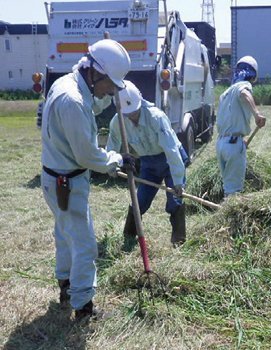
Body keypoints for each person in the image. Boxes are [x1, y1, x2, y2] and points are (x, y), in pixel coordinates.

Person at [41, 39, 134, 321]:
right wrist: (116, 159)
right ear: (95, 73)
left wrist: (105, 102)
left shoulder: (67, 84)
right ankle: (83, 307)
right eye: (111, 84)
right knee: (84, 244)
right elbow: (86, 156)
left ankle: (66, 285)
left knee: (65, 234)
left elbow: (84, 115)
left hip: (55, 178)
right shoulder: (73, 100)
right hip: (67, 182)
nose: (112, 91)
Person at [106, 81, 188, 249]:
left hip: (169, 159)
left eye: (134, 112)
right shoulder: (118, 121)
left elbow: (171, 150)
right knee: (139, 201)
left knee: (175, 201)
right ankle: (128, 238)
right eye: (127, 114)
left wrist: (178, 181)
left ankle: (179, 242)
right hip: (149, 164)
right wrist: (111, 165)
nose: (132, 117)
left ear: (140, 103)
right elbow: (113, 143)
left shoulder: (156, 117)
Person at [216, 56, 266, 196]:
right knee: (234, 190)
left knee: (227, 186)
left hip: (221, 143)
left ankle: (226, 210)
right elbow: (244, 93)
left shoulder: (226, 93)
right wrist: (256, 114)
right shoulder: (243, 86)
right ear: (253, 74)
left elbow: (229, 117)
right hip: (232, 145)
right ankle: (228, 216)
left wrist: (238, 138)